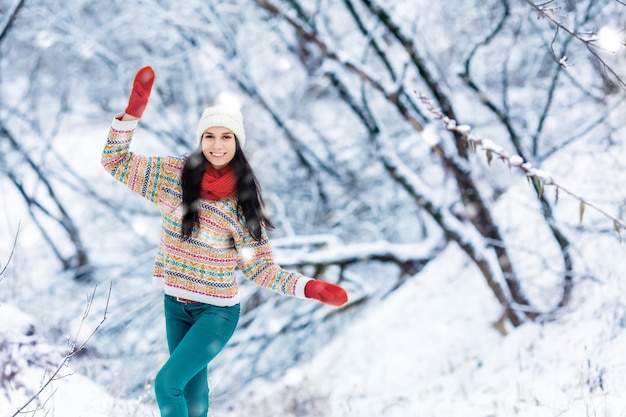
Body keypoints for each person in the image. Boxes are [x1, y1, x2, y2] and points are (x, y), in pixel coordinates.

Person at [101, 66, 348, 417]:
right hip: (176, 304)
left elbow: (261, 268)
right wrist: (132, 113)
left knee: (166, 385)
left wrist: (309, 288)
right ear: (201, 139)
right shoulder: (173, 176)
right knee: (193, 395)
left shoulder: (241, 202)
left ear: (238, 143)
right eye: (210, 136)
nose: (217, 145)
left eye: (226, 137)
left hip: (216, 313)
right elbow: (115, 160)